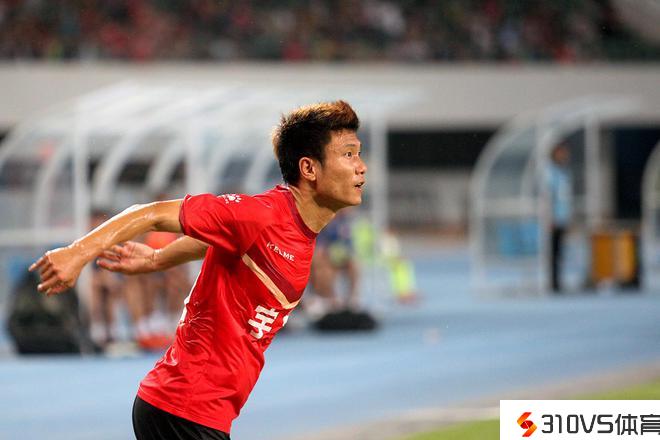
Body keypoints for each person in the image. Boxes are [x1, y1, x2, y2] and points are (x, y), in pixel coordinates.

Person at [30, 100, 366, 439]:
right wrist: (76, 253)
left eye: (358, 154)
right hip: (184, 409)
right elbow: (150, 213)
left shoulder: (293, 229)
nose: (361, 167)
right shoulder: (260, 214)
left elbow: (218, 241)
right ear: (309, 168)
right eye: (348, 154)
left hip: (195, 411)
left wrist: (158, 259)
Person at [547, 143, 573, 293]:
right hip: (553, 219)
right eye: (561, 153)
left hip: (562, 218)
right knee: (553, 252)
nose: (564, 156)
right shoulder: (550, 172)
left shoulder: (564, 172)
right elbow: (548, 197)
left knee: (560, 252)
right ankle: (554, 283)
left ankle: (558, 281)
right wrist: (550, 217)